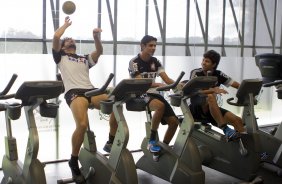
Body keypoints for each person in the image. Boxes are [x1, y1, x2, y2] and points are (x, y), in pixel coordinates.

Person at [52, 16, 118, 183]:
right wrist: (65, 26)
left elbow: (99, 52)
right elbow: (55, 37)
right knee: (81, 124)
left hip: (91, 90)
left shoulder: (83, 58)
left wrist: (96, 38)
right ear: (62, 46)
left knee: (116, 106)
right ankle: (73, 161)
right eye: (68, 40)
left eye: (72, 40)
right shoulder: (60, 57)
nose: (71, 41)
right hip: (74, 92)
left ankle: (110, 141)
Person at [128, 35, 179, 154]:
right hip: (138, 94)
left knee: (174, 123)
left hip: (154, 95)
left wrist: (179, 84)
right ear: (142, 46)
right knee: (159, 106)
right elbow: (140, 82)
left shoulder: (155, 62)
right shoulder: (134, 62)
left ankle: (163, 148)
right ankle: (151, 141)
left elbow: (166, 79)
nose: (153, 48)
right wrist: (157, 85)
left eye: (155, 46)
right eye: (150, 45)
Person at [188, 49, 245, 141]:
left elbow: (236, 85)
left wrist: (249, 88)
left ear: (213, 64)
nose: (203, 63)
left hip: (212, 109)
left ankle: (247, 149)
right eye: (203, 60)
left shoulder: (218, 74)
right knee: (210, 95)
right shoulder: (196, 73)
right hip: (197, 108)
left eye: (207, 61)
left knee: (238, 121)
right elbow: (195, 91)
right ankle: (225, 128)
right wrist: (213, 90)